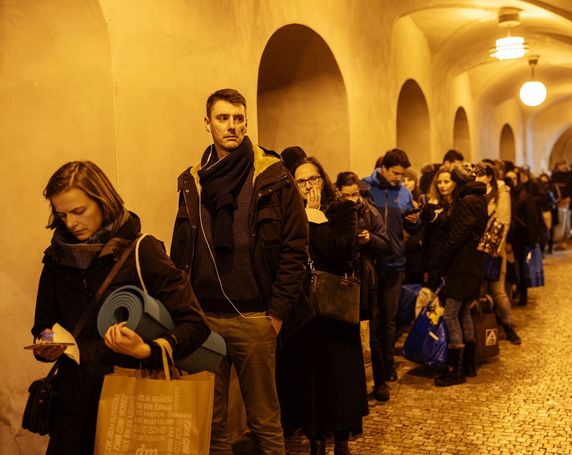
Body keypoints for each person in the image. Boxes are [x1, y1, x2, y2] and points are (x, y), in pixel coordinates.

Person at [32, 161, 210, 454]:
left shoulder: (142, 251)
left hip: (130, 400)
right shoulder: (56, 258)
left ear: (103, 201)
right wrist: (47, 344)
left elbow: (195, 324)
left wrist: (147, 351)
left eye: (79, 211)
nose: (71, 223)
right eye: (62, 214)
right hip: (71, 408)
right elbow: (44, 323)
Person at [170, 88, 308, 454]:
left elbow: (295, 249)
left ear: (247, 123)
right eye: (223, 118)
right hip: (204, 318)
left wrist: (275, 315)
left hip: (254, 317)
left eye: (238, 118)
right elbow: (181, 248)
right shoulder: (192, 181)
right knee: (211, 422)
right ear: (207, 123)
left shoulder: (273, 177)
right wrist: (184, 310)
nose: (232, 126)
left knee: (264, 421)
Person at [278, 157, 368, 455]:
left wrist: (314, 218)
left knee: (339, 374)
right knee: (310, 374)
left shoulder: (342, 208)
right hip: (304, 309)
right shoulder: (289, 212)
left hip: (335, 305)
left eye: (313, 179)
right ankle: (315, 438)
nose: (308, 186)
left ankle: (341, 439)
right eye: (301, 181)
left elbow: (341, 249)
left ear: (323, 179)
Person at [362, 148, 420, 382]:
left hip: (396, 263)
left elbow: (413, 228)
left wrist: (415, 222)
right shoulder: (365, 187)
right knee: (372, 318)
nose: (399, 178)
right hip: (371, 264)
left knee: (390, 320)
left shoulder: (404, 194)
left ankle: (387, 365)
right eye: (396, 173)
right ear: (383, 168)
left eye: (402, 174)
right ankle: (371, 368)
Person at [336, 171, 391, 402]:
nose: (352, 199)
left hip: (368, 280)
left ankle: (380, 382)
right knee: (346, 334)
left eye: (355, 194)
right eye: (347, 195)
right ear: (339, 193)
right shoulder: (335, 213)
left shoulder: (370, 212)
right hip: (343, 280)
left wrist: (370, 240)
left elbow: (385, 243)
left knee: (372, 334)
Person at [433, 162, 488, 386]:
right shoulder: (477, 198)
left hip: (462, 265)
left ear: (458, 182)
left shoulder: (467, 201)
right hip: (473, 264)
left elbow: (456, 237)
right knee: (464, 312)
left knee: (450, 314)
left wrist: (442, 262)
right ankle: (469, 365)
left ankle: (455, 370)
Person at [476, 163, 521, 345]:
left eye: (480, 175)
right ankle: (483, 330)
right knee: (479, 291)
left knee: (498, 291)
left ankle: (508, 325)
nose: (476, 178)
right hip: (475, 250)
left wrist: (494, 249)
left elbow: (503, 221)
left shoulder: (501, 192)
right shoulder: (474, 192)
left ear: (489, 176)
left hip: (493, 249)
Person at [506, 168, 541, 307]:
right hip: (512, 236)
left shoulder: (523, 195)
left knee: (521, 265)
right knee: (514, 266)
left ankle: (523, 293)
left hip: (521, 236)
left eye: (514, 178)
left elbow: (532, 218)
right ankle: (516, 291)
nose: (512, 181)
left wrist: (533, 239)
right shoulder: (508, 195)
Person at [550, 160, 572, 250]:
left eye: (563, 164)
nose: (562, 166)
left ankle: (563, 241)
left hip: (567, 203)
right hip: (557, 202)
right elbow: (551, 188)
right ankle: (557, 241)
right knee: (558, 223)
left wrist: (569, 198)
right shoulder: (554, 176)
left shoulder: (570, 175)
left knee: (565, 222)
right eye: (560, 165)